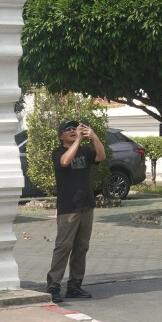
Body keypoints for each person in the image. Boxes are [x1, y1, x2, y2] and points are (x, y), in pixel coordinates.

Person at [46, 119, 106, 304]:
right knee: (63, 246)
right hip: (68, 207)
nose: (73, 131)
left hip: (86, 205)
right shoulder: (58, 152)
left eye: (75, 129)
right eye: (68, 129)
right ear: (61, 136)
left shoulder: (85, 151)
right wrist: (79, 140)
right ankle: (54, 285)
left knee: (81, 247)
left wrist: (94, 137)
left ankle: (74, 285)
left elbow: (101, 157)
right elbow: (65, 162)